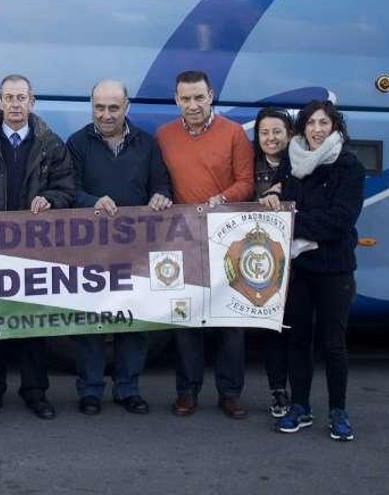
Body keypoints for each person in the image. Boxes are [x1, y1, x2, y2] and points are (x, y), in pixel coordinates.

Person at [0, 74, 75, 420]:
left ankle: (36, 392)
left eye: (22, 98)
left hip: (36, 249)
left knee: (34, 324)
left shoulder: (52, 144)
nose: (16, 104)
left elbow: (67, 190)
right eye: (9, 98)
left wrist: (50, 199)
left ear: (32, 101)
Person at [66, 80, 172, 416]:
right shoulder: (77, 143)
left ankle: (128, 389)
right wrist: (91, 201)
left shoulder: (147, 144)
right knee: (91, 323)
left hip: (136, 249)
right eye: (100, 107)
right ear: (91, 106)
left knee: (135, 321)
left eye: (113, 107)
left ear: (126, 106)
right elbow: (68, 191)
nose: (106, 114)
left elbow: (162, 184)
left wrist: (160, 195)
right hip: (91, 248)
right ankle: (91, 391)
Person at [260, 100, 364, 441]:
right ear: (302, 127)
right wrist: (273, 198)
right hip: (300, 266)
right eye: (311, 123)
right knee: (298, 341)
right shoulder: (292, 159)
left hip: (334, 269)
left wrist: (291, 222)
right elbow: (280, 195)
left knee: (333, 344)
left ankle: (338, 411)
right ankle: (300, 407)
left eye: (324, 123)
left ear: (335, 127)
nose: (317, 129)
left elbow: (340, 220)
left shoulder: (348, 164)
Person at [155, 70, 254, 419]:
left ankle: (229, 393)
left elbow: (246, 182)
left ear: (211, 95)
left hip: (227, 238)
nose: (193, 105)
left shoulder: (233, 133)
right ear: (176, 100)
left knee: (230, 321)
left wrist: (221, 199)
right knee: (186, 319)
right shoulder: (164, 135)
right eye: (185, 98)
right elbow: (161, 180)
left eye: (199, 97)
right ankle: (187, 392)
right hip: (183, 240)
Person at [252, 107, 295, 418]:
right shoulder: (249, 167)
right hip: (262, 263)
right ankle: (278, 391)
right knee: (272, 330)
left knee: (299, 330)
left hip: (299, 259)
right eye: (264, 132)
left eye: (277, 131)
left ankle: (301, 394)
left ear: (289, 134)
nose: (270, 138)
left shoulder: (301, 166)